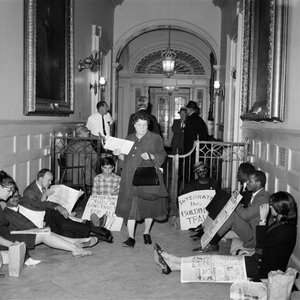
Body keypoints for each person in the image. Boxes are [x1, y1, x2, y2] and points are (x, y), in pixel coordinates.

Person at [153, 191, 297, 281]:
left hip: (262, 269)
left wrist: (263, 220)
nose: (268, 208)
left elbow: (261, 244)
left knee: (215, 266)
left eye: (271, 206)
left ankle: (171, 263)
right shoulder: (283, 224)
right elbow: (266, 247)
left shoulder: (285, 230)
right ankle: (172, 261)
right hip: (258, 261)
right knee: (214, 261)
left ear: (280, 209)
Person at [0, 171, 95, 258]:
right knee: (43, 234)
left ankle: (75, 242)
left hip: (9, 234)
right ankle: (76, 248)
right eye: (9, 190)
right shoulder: (11, 208)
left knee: (44, 231)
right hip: (6, 239)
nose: (11, 193)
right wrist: (12, 245)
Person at [114, 112, 168, 248]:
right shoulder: (128, 139)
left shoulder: (155, 138)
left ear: (148, 125)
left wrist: (151, 156)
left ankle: (146, 232)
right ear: (134, 125)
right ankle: (130, 237)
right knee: (131, 208)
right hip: (130, 177)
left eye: (144, 125)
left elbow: (162, 154)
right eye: (139, 125)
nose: (142, 128)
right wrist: (119, 154)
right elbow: (124, 159)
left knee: (149, 207)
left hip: (148, 177)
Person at [19, 169, 112, 243]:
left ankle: (93, 233)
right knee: (65, 224)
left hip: (51, 212)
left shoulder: (43, 186)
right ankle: (95, 229)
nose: (51, 183)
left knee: (65, 228)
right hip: (43, 217)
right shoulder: (30, 191)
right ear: (40, 179)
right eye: (49, 180)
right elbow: (39, 206)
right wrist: (47, 197)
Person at [194, 170, 270, 252]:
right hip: (249, 226)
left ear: (258, 183)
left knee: (232, 216)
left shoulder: (262, 199)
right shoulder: (257, 194)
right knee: (228, 209)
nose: (247, 183)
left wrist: (235, 202)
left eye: (250, 181)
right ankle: (210, 236)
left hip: (253, 238)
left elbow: (245, 215)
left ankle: (213, 243)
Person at [61, 125, 97, 189]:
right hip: (82, 173)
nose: (88, 133)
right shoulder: (86, 144)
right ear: (81, 134)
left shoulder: (70, 142)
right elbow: (95, 158)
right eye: (86, 131)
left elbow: (63, 153)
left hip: (69, 172)